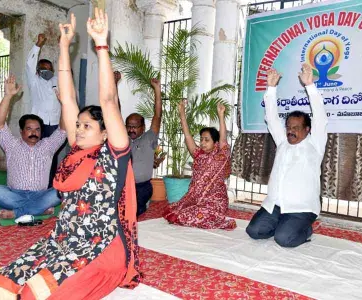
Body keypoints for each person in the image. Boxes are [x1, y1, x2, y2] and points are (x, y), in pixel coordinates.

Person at [0, 10, 140, 299]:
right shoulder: (76, 152)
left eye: (87, 126)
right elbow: (66, 98)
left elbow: (107, 101)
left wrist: (101, 45)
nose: (79, 130)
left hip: (100, 247)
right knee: (0, 285)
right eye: (77, 125)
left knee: (36, 294)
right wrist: (65, 45)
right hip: (63, 239)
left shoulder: (113, 153)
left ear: (105, 132)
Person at [245, 64, 328, 248]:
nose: (290, 131)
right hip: (275, 205)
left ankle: (305, 229)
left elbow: (320, 117)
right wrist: (271, 88)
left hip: (301, 208)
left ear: (307, 130)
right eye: (289, 127)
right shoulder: (283, 142)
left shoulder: (315, 145)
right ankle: (283, 225)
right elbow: (272, 117)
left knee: (284, 240)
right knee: (254, 232)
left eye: (296, 128)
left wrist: (310, 86)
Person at [0, 75, 65, 220]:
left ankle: (18, 212)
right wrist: (8, 96)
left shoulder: (48, 145)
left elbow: (63, 130)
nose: (34, 132)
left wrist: (64, 104)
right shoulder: (12, 144)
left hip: (41, 193)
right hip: (14, 193)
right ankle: (38, 208)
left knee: (59, 192)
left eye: (37, 129)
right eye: (29, 129)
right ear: (21, 131)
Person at [163, 101, 236, 230]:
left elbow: (223, 139)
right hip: (195, 198)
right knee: (179, 211)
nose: (202, 142)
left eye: (207, 140)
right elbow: (187, 135)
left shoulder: (221, 155)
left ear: (215, 142)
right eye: (201, 139)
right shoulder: (198, 155)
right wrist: (182, 113)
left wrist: (220, 115)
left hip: (214, 201)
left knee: (197, 215)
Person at [27, 32, 65, 188]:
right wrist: (38, 44)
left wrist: (63, 47)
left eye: (49, 68)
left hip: (55, 124)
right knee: (36, 153)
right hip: (39, 124)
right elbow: (29, 65)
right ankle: (33, 182)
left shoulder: (57, 80)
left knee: (52, 155)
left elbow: (65, 70)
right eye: (43, 68)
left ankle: (49, 184)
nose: (47, 71)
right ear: (38, 70)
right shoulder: (34, 81)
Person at [126, 78, 162, 216]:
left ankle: (140, 207)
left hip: (142, 187)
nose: (131, 130)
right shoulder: (122, 139)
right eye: (129, 126)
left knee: (132, 212)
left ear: (143, 128)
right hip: (124, 186)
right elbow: (114, 112)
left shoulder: (149, 138)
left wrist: (157, 90)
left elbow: (157, 116)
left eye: (135, 127)